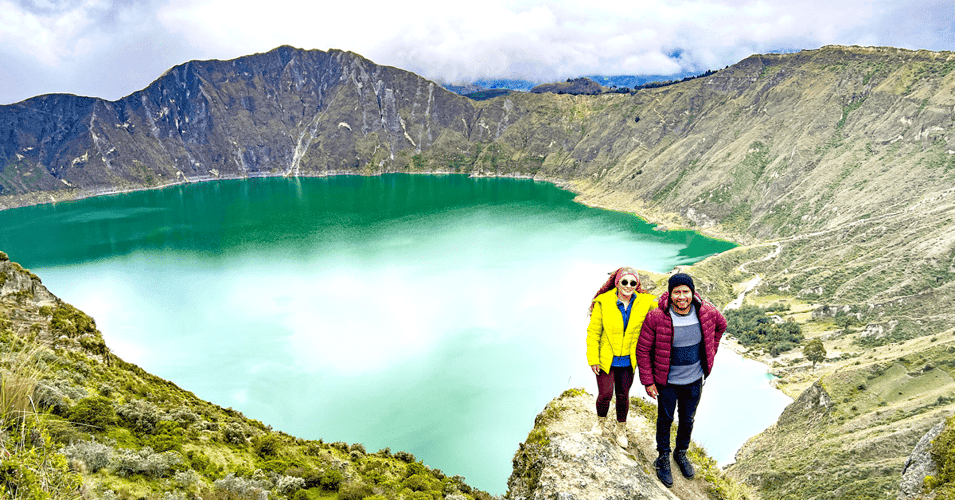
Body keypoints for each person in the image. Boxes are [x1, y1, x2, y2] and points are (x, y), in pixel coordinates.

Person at [636, 273, 727, 487]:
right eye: (676, 292)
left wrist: (710, 352)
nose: (681, 296)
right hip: (667, 382)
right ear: (670, 294)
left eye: (685, 291)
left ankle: (681, 453)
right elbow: (643, 350)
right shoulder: (657, 317)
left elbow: (721, 326)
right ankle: (663, 458)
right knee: (665, 420)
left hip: (695, 380)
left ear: (692, 292)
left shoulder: (706, 312)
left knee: (687, 420)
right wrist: (648, 381)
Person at [585, 267, 656, 448]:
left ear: (637, 285)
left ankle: (620, 429)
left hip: (628, 360)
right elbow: (593, 332)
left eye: (633, 283)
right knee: (606, 393)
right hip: (605, 359)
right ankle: (600, 422)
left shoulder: (645, 302)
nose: (628, 286)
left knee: (623, 396)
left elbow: (663, 312)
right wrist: (593, 358)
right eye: (624, 282)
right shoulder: (603, 302)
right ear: (617, 283)